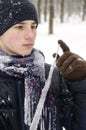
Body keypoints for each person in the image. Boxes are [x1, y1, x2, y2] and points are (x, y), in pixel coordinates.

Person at [0, 0, 86, 130]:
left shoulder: (52, 76)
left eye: (33, 26)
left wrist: (80, 85)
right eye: (19, 26)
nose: (30, 35)